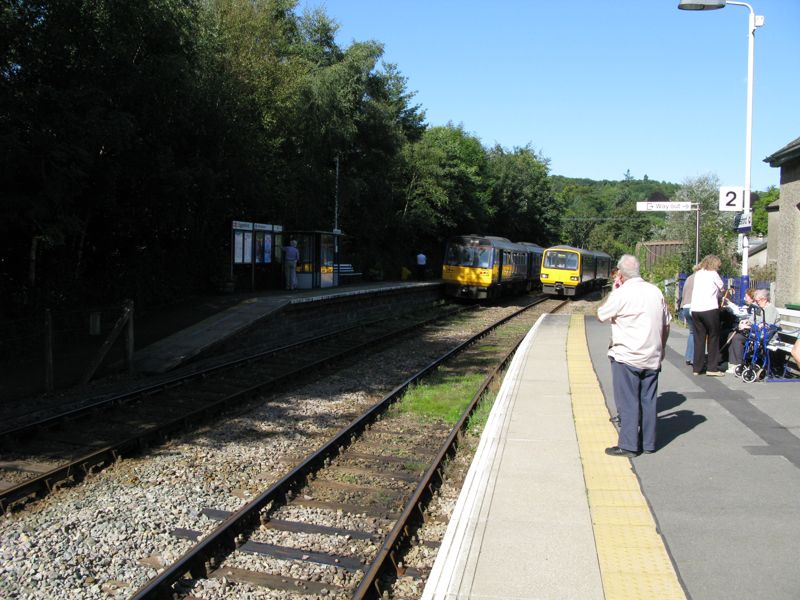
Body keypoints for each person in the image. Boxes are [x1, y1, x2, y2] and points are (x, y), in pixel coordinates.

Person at [597, 254, 671, 457]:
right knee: (649, 400)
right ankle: (649, 443)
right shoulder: (655, 291)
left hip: (627, 356)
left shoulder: (622, 294)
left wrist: (615, 289)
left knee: (628, 401)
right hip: (652, 356)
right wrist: (661, 348)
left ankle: (629, 445)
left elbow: (601, 315)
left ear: (620, 273)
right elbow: (666, 324)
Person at [689, 255, 724, 376]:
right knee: (713, 337)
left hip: (696, 309)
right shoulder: (713, 273)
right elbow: (722, 288)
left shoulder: (698, 273)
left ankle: (697, 368)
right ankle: (712, 368)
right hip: (709, 309)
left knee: (699, 338)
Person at [722, 287, 756, 373]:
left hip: (751, 332)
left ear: (752, 298)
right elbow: (739, 310)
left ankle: (739, 364)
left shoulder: (753, 308)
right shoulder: (747, 306)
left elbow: (739, 312)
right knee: (730, 335)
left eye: (746, 296)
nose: (745, 298)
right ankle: (732, 363)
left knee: (737, 338)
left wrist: (730, 304)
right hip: (744, 330)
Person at [679, 269, 697, 367]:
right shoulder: (700, 278)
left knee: (692, 332)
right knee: (698, 332)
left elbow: (683, 293)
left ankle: (688, 357)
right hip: (695, 307)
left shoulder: (689, 278)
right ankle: (695, 358)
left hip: (685, 306)